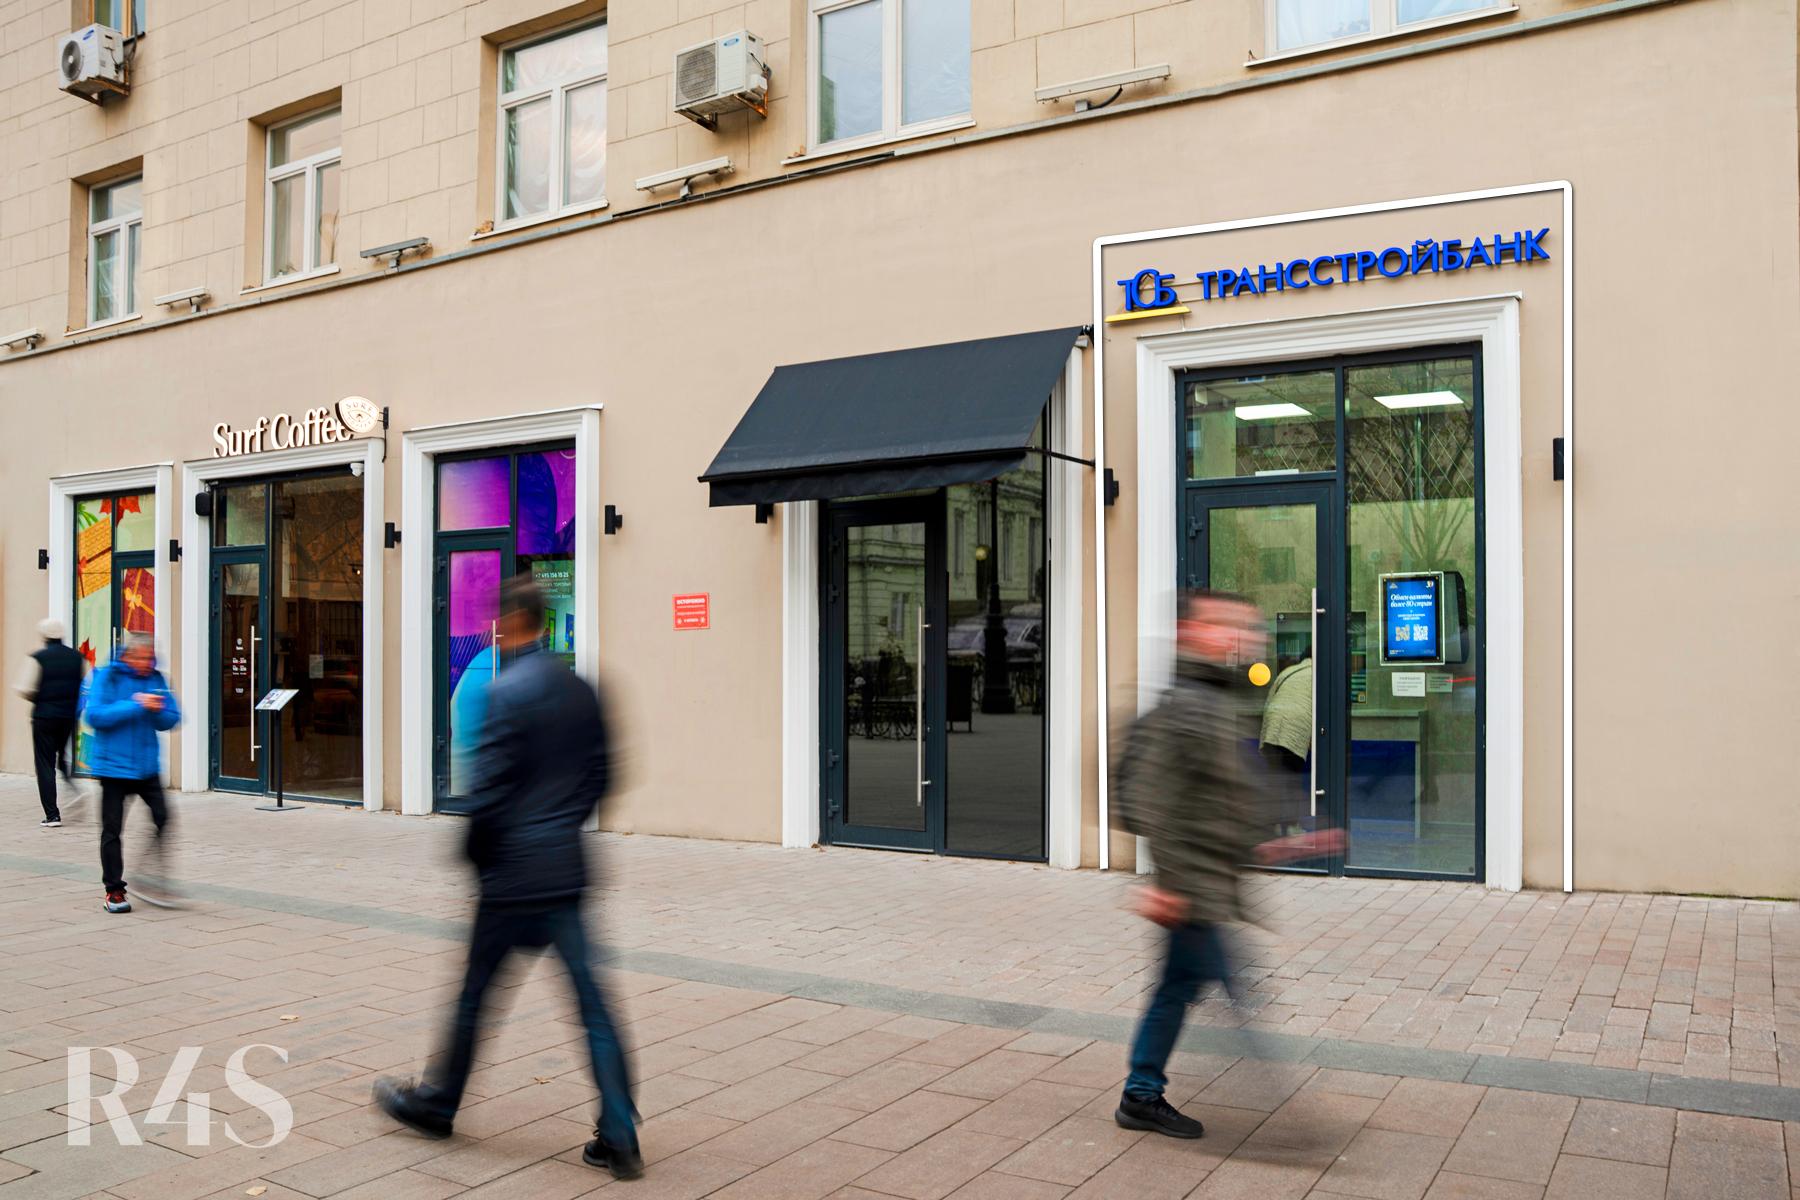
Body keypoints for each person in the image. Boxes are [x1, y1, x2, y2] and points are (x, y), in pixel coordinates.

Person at [375, 576, 640, 1180]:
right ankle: (620, 1134)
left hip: (512, 879)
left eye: (497, 621)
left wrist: (476, 857)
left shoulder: (505, 693)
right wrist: (561, 826)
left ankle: (438, 1104)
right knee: (594, 1007)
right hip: (564, 869)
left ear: (513, 622)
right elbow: (604, 774)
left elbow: (489, 792)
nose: (493, 630)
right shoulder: (581, 689)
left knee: (474, 998)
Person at [1112, 590, 1265, 1140]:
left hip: (1205, 881)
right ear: (1190, 632)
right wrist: (1170, 884)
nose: (1239, 636)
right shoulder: (1186, 703)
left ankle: (1142, 1092)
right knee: (1223, 989)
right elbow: (1150, 798)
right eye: (1224, 624)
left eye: (1244, 626)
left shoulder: (1214, 695)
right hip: (1191, 886)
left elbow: (1223, 790)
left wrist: (1261, 844)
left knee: (1183, 984)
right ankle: (1143, 1094)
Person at [84, 633, 181, 914]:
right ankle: (114, 890)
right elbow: (94, 716)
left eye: (150, 658)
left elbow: (172, 718)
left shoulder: (156, 678)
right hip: (113, 768)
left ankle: (149, 877)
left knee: (163, 817)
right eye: (141, 658)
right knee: (112, 830)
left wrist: (158, 710)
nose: (147, 663)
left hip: (146, 768)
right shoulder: (107, 676)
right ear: (128, 656)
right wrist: (136, 704)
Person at [13, 617, 86, 828]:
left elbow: (24, 688)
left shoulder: (38, 658)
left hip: (44, 717)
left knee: (45, 763)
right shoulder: (77, 658)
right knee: (62, 758)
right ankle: (75, 789)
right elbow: (85, 684)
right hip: (68, 717)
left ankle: (52, 815)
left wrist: (39, 697)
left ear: (44, 636)